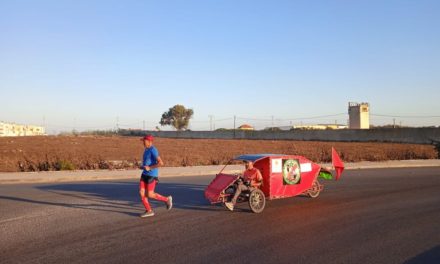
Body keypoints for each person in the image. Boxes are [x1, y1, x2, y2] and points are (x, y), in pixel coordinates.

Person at [138, 135, 172, 218]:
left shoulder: (153, 150)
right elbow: (147, 162)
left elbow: (161, 163)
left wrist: (150, 167)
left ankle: (167, 199)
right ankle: (149, 211)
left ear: (149, 141)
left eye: (144, 141)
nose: (143, 142)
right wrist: (142, 166)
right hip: (144, 174)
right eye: (143, 141)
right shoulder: (146, 150)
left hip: (152, 176)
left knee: (150, 194)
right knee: (141, 193)